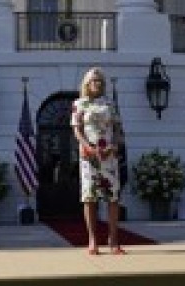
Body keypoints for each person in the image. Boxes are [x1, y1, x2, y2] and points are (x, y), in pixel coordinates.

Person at [71, 67, 126, 255]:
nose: (97, 83)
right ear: (86, 83)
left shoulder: (110, 104)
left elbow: (118, 128)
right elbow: (77, 130)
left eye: (100, 81)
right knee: (89, 198)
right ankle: (92, 240)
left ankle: (113, 240)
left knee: (113, 198)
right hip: (89, 156)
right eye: (93, 80)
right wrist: (87, 146)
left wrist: (115, 145)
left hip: (109, 155)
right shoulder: (79, 104)